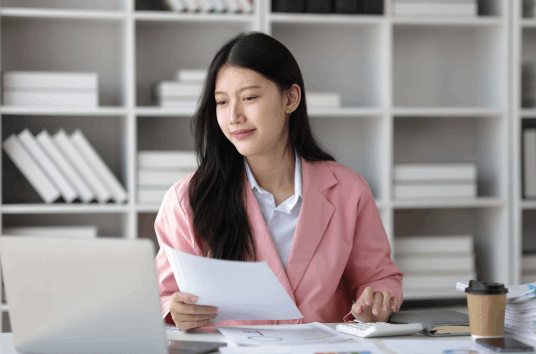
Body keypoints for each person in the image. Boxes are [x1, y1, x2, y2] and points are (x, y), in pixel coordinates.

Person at [154, 31, 403, 331]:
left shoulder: (349, 191)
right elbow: (163, 296)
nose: (233, 116)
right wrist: (173, 310)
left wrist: (376, 304)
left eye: (248, 98)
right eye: (221, 102)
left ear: (290, 98)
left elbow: (378, 279)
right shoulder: (188, 199)